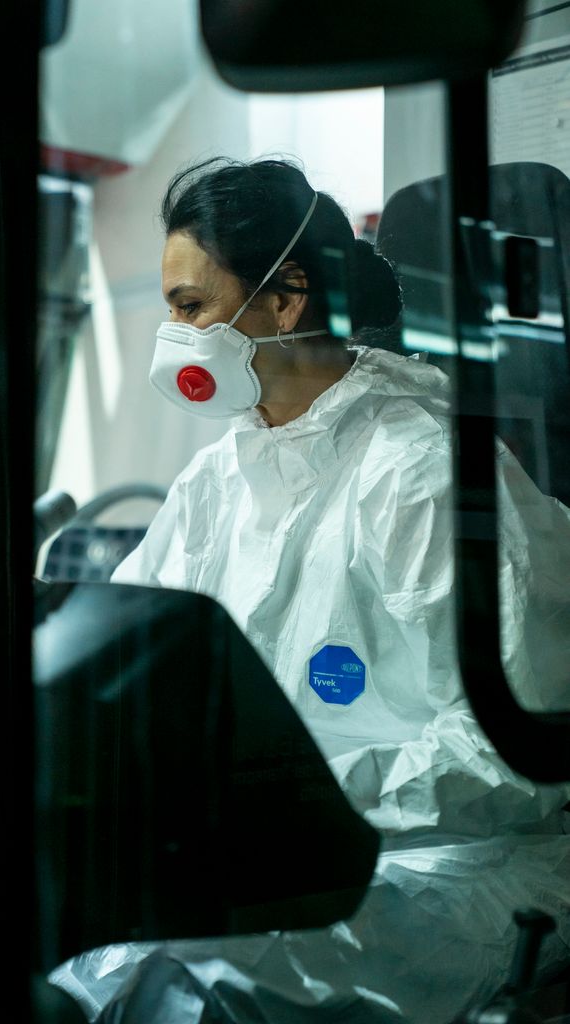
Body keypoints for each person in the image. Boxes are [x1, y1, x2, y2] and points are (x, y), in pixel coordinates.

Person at [49, 157, 570, 1024]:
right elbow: (131, 662)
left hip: (461, 866)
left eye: (190, 307)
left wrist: (319, 801)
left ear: (286, 298)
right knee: (79, 957)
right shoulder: (218, 479)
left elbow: (531, 740)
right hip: (268, 857)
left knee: (190, 984)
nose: (172, 335)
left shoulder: (422, 474)